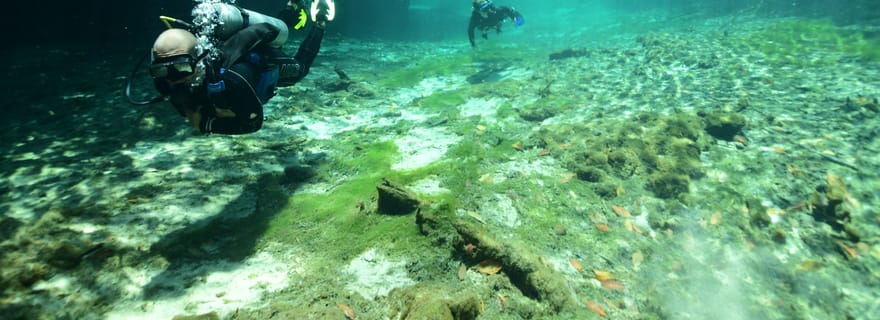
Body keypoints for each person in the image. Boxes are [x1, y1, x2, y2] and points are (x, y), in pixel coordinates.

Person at [150, 1, 330, 134]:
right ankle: (291, 7)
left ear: (200, 60)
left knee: (300, 69)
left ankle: (320, 20)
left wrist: (207, 124)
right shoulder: (166, 83)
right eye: (162, 70)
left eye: (183, 67)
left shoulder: (234, 79)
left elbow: (254, 123)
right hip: (239, 54)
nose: (173, 79)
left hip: (263, 62)